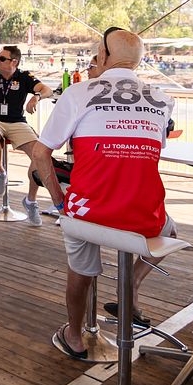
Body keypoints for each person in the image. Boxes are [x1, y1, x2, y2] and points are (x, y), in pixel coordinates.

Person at [30, 28, 177, 359]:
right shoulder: (163, 100)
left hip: (89, 215)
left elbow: (41, 154)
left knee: (80, 266)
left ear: (104, 55)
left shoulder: (79, 93)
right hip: (145, 218)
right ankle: (131, 288)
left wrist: (59, 201)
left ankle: (75, 334)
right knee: (170, 229)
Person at [0, 45, 60, 225]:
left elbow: (47, 90)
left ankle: (31, 201)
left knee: (41, 155)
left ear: (14, 62)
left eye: (2, 58)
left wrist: (36, 97)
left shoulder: (24, 77)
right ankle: (0, 172)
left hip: (17, 122)